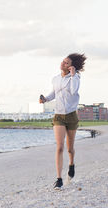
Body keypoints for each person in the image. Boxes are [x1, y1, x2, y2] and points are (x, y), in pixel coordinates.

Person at [39, 53, 87, 190]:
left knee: (70, 149)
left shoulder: (75, 78)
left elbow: (73, 91)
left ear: (72, 67)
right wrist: (45, 99)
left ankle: (71, 164)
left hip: (71, 116)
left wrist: (73, 75)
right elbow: (54, 93)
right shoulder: (55, 79)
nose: (62, 64)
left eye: (66, 63)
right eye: (63, 61)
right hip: (58, 116)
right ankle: (59, 179)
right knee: (59, 147)